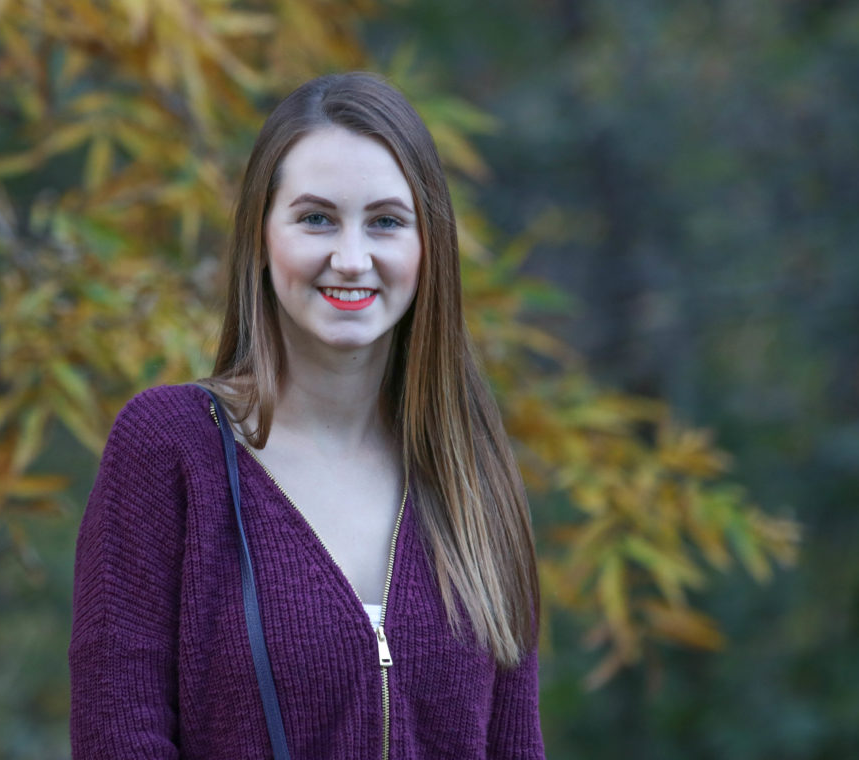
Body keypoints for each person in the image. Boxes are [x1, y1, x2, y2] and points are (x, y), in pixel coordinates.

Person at [69, 72, 545, 759]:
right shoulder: (170, 449)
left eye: (385, 221)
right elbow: (119, 737)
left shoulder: (473, 477)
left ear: (426, 247)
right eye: (316, 217)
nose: (351, 259)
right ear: (262, 238)